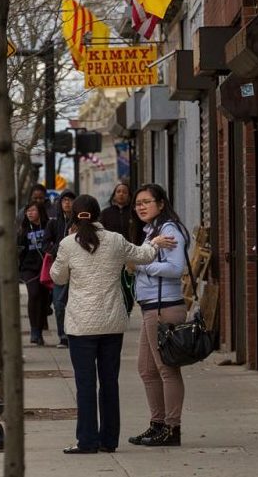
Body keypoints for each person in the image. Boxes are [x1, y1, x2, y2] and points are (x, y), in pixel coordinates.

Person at [50, 194, 177, 454]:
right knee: (109, 382)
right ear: (99, 215)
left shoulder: (68, 244)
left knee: (85, 384)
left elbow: (58, 278)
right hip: (112, 322)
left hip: (81, 326)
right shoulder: (116, 240)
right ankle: (109, 440)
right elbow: (142, 255)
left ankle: (86, 441)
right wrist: (154, 242)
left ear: (74, 216)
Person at [128, 183, 189, 447]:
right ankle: (158, 424)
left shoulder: (169, 229)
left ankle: (172, 429)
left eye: (146, 202)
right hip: (151, 307)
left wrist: (142, 264)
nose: (141, 207)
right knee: (146, 369)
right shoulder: (151, 232)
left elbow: (176, 268)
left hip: (164, 307)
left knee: (166, 370)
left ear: (161, 204)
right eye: (138, 203)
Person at [99, 182, 143, 314]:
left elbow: (141, 233)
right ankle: (115, 312)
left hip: (130, 255)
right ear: (114, 195)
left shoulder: (135, 214)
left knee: (128, 286)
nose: (121, 194)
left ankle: (126, 311)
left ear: (129, 195)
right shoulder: (106, 213)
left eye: (124, 191)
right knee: (113, 286)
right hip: (111, 256)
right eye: (118, 191)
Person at [43, 189, 76, 348]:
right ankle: (62, 335)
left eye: (70, 200)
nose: (67, 203)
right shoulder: (53, 222)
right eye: (64, 200)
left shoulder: (79, 222)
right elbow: (46, 245)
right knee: (58, 304)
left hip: (77, 268)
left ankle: (74, 334)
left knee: (75, 304)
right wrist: (61, 245)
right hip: (59, 268)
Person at [18, 200, 51, 345]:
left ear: (40, 212)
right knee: (34, 294)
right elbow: (19, 251)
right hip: (29, 268)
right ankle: (34, 331)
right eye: (28, 211)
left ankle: (40, 329)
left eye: (33, 210)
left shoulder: (48, 226)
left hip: (46, 267)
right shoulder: (23, 230)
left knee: (44, 299)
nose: (30, 213)